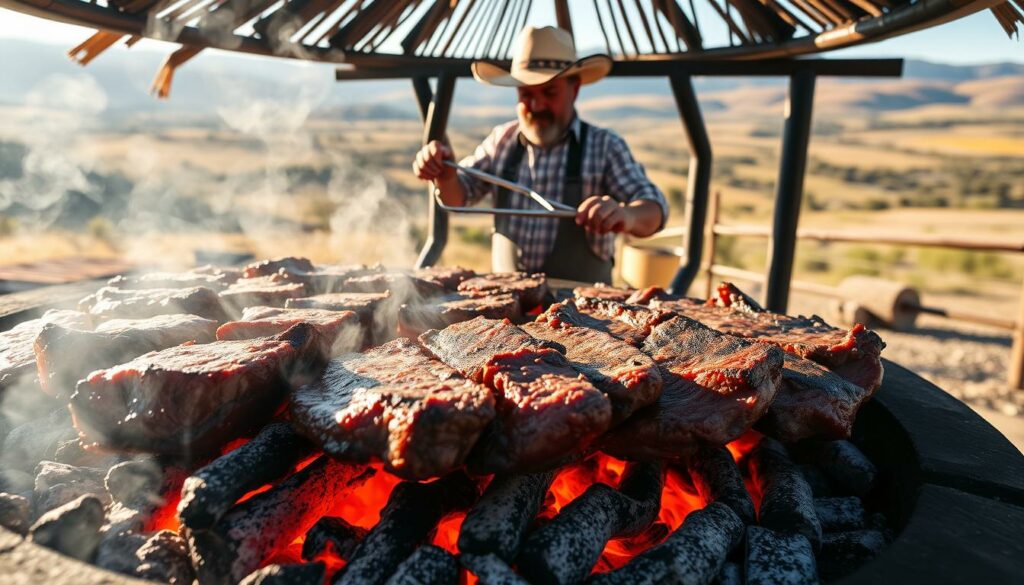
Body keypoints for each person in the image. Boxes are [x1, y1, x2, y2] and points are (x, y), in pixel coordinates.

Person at [413, 25, 668, 283]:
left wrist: (627, 215)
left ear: (575, 89)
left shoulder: (605, 146)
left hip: (587, 317)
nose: (536, 106)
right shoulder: (501, 141)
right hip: (506, 311)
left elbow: (655, 210)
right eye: (526, 94)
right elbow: (457, 199)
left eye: (549, 92)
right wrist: (445, 175)